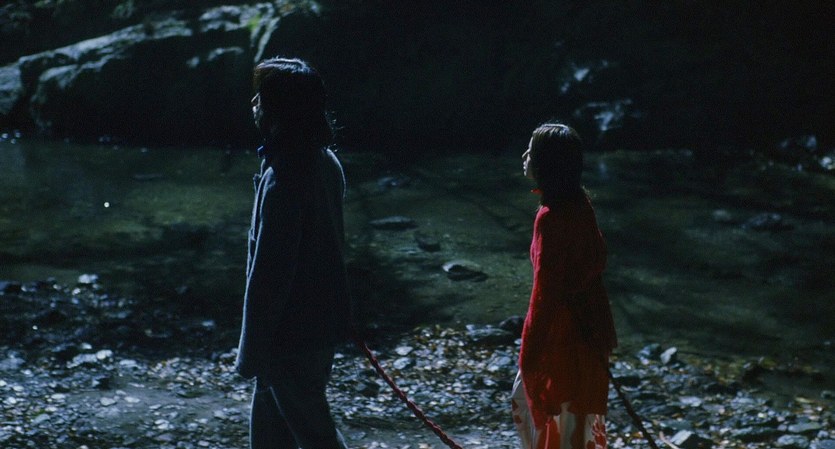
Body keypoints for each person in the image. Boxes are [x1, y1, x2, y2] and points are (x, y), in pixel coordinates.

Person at [234, 56, 351, 449]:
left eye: (262, 98)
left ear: (280, 111)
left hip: (289, 337)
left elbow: (270, 275)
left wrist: (251, 353)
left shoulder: (283, 178)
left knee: (316, 436)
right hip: (318, 328)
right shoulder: (325, 161)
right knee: (271, 433)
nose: (254, 104)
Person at [511, 123, 618, 449]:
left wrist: (529, 356)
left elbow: (545, 294)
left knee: (544, 418)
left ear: (546, 164)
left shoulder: (551, 217)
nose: (525, 156)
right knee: (578, 428)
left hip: (564, 339)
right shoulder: (580, 205)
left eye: (531, 151)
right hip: (592, 332)